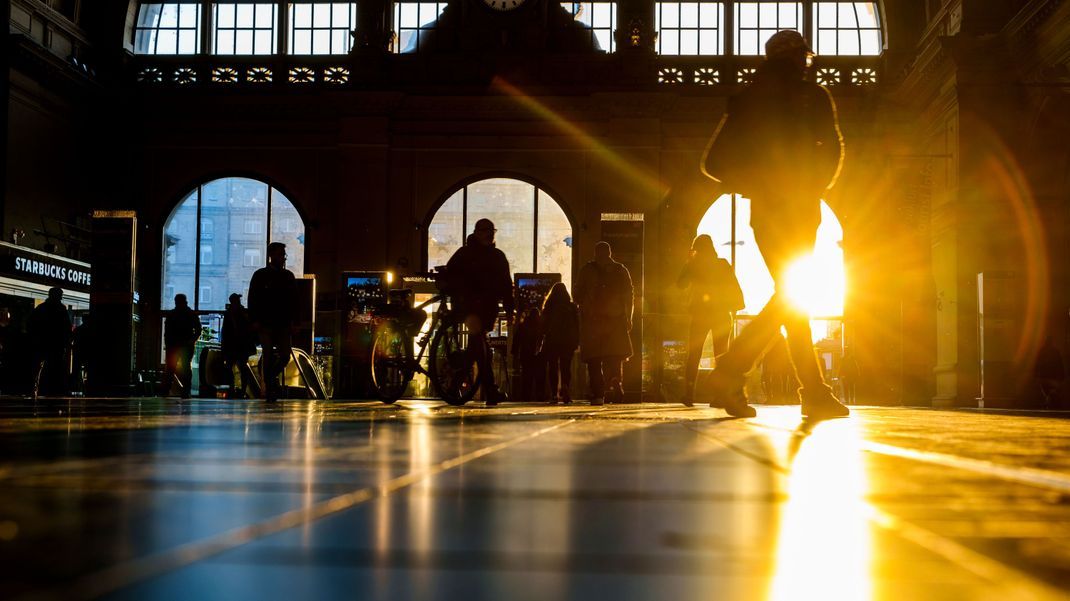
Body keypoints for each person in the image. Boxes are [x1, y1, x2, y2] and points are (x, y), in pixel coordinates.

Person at [700, 29, 848, 419]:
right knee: (790, 297)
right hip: (800, 208)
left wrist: (753, 182)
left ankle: (813, 391)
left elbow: (713, 163)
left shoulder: (748, 100)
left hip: (764, 211)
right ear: (802, 58)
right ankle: (733, 368)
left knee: (790, 297)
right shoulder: (813, 97)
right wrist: (813, 183)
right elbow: (833, 149)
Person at [445, 218, 515, 405]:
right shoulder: (496, 256)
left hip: (471, 307)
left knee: (476, 348)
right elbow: (506, 286)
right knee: (479, 346)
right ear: (477, 232)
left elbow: (449, 273)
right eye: (486, 230)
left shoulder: (465, 253)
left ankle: (457, 386)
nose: (489, 234)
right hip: (480, 308)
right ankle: (489, 390)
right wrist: (509, 310)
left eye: (491, 230)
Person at [676, 234, 744, 407]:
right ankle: (721, 396)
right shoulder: (722, 264)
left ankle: (689, 394)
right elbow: (733, 285)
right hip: (721, 315)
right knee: (720, 355)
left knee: (694, 355)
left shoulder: (694, 265)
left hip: (700, 314)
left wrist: (688, 261)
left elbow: (680, 284)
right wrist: (736, 306)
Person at [575, 241, 633, 405]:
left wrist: (585, 304)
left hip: (593, 321)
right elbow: (630, 296)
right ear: (610, 253)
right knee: (614, 356)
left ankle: (598, 393)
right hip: (615, 320)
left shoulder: (587, 270)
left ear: (595, 253)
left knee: (594, 360)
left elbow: (577, 294)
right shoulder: (621, 270)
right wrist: (629, 317)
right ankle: (615, 380)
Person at [248, 242, 298, 402]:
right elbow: (293, 301)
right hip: (274, 322)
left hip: (268, 322)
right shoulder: (287, 276)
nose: (283, 257)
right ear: (272, 255)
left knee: (274, 354)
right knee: (282, 355)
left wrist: (254, 319)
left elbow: (253, 299)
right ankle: (270, 381)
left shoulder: (261, 275)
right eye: (281, 254)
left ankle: (269, 381)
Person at [540, 282, 580, 404]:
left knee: (553, 367)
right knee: (565, 366)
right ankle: (565, 386)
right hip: (568, 341)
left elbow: (543, 326)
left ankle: (554, 394)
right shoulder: (572, 307)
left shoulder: (549, 307)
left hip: (552, 340)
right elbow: (578, 325)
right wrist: (577, 341)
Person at [163, 293, 201, 399]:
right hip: (186, 345)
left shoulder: (171, 314)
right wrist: (192, 341)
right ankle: (185, 391)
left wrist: (168, 345)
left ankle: (166, 390)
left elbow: (167, 332)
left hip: (173, 345)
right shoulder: (191, 314)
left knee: (170, 368)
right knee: (186, 368)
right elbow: (198, 330)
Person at [221, 293, 257, 398]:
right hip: (241, 344)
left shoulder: (229, 314)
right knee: (242, 368)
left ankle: (232, 388)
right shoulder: (244, 313)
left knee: (231, 367)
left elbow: (225, 332)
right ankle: (242, 389)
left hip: (232, 345)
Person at [511, 307, 545, 402]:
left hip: (525, 354)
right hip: (538, 355)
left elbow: (517, 339)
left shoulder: (523, 325)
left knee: (526, 376)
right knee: (539, 376)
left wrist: (514, 351)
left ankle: (526, 396)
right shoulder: (540, 326)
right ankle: (539, 395)